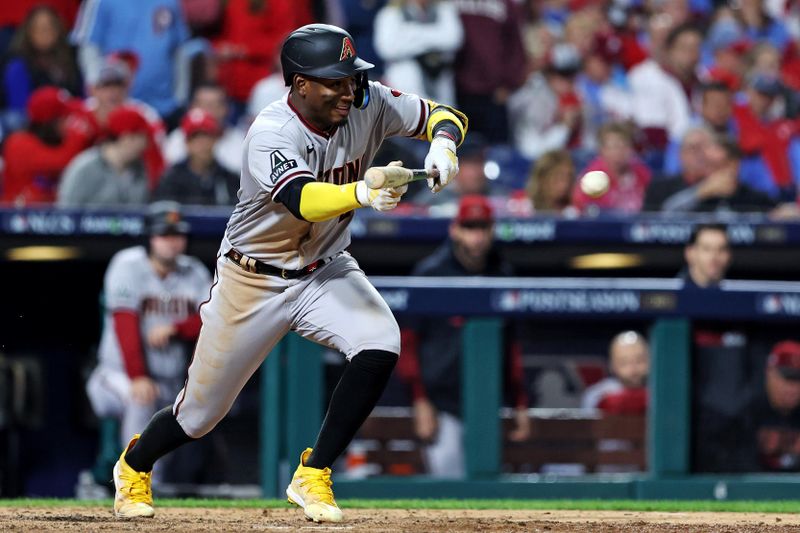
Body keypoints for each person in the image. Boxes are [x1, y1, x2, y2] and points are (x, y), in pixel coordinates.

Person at [110, 23, 467, 523]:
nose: (349, 90)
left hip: (325, 269)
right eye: (334, 81)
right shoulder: (270, 132)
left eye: (351, 78)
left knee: (380, 340)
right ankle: (134, 464)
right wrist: (361, 193)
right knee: (199, 415)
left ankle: (314, 472)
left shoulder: (370, 100)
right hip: (252, 278)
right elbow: (302, 199)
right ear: (300, 84)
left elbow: (444, 115)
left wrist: (444, 146)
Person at [396, 195, 530, 478]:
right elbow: (407, 344)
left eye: (482, 228)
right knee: (448, 487)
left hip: (491, 404)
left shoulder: (503, 275)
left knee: (491, 491)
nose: (477, 236)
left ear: (492, 231)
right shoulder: (430, 274)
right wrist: (420, 400)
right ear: (455, 229)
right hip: (441, 404)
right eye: (470, 228)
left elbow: (512, 348)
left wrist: (519, 404)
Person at [86, 201, 210, 457]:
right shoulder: (127, 264)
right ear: (149, 238)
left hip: (170, 380)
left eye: (177, 235)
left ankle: (157, 486)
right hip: (116, 376)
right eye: (164, 235)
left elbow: (215, 318)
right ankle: (132, 475)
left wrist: (177, 328)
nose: (172, 242)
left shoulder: (194, 271)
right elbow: (124, 324)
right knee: (142, 400)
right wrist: (138, 375)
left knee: (185, 422)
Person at [70, 0, 189, 121]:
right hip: (115, 108)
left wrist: (179, 97)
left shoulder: (170, 2)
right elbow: (88, 48)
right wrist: (97, 96)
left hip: (165, 106)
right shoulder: (99, 2)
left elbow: (180, 49)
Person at [1, 86, 91, 205]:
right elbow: (60, 162)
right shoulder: (18, 142)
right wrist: (77, 136)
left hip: (49, 217)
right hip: (15, 218)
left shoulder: (56, 142)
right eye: (64, 118)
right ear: (49, 123)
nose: (69, 123)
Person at [1, 5, 82, 130]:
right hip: (33, 125)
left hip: (69, 122)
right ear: (28, 32)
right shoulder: (18, 65)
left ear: (58, 30)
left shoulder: (71, 58)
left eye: (49, 28)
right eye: (38, 28)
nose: (44, 32)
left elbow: (82, 98)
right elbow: (20, 109)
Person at [373, 0, 464, 105]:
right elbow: (387, 48)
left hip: (441, 92)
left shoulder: (445, 10)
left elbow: (453, 39)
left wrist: (409, 33)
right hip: (404, 92)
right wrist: (435, 36)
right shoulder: (390, 13)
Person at [57, 105, 152, 206]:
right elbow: (67, 211)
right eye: (143, 137)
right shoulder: (85, 168)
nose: (146, 144)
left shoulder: (139, 169)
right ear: (126, 138)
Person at [154, 108, 239, 206]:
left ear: (215, 140)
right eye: (195, 137)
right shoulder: (171, 179)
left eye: (207, 136)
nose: (202, 144)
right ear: (187, 143)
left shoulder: (229, 179)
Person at [162, 83, 246, 175]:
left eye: (214, 106)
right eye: (203, 105)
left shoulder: (241, 142)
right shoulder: (177, 138)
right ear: (191, 108)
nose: (208, 112)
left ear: (226, 109)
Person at [571, 122, 651, 215]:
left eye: (625, 146)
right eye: (615, 146)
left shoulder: (641, 172)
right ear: (602, 150)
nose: (620, 152)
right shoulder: (592, 177)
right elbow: (582, 210)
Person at [581, 331, 650, 414]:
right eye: (624, 363)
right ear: (612, 365)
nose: (633, 369)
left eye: (639, 361)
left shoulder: (661, 392)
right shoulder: (596, 396)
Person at [680, 223, 731, 290]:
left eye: (721, 249)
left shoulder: (738, 295)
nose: (714, 256)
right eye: (706, 249)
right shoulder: (672, 292)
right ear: (690, 253)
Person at [525, 149, 575, 214]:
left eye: (569, 177)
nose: (566, 184)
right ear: (542, 179)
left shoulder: (574, 212)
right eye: (558, 177)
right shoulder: (522, 206)